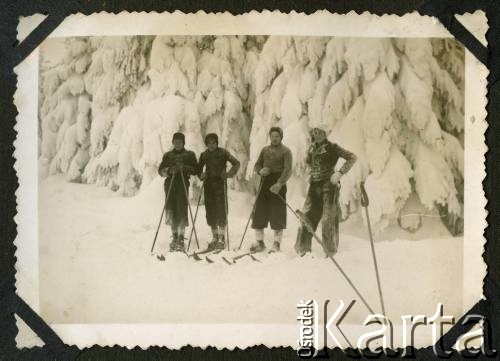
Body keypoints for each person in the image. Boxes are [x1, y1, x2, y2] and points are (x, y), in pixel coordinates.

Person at [294, 127, 357, 256]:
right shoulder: (312, 149)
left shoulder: (332, 147)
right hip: (314, 186)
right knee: (307, 215)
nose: (317, 135)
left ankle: (330, 250)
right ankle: (303, 249)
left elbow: (352, 157)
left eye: (319, 132)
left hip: (329, 185)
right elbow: (308, 163)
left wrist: (340, 173)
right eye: (314, 132)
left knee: (328, 217)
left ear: (324, 134)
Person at [250, 127, 292, 253]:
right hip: (264, 182)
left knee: (277, 214)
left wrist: (279, 184)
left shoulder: (286, 151)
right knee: (259, 212)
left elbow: (288, 170)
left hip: (278, 183)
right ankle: (260, 242)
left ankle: (276, 244)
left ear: (281, 137)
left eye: (277, 136)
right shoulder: (265, 150)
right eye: (272, 136)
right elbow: (257, 165)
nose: (274, 139)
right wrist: (260, 170)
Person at [198, 133, 240, 251]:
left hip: (220, 185)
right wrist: (202, 175)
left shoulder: (223, 153)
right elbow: (198, 169)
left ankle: (222, 238)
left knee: (221, 210)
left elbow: (236, 163)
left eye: (214, 142)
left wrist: (228, 174)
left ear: (217, 143)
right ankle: (215, 237)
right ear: (206, 144)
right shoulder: (204, 155)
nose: (211, 145)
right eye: (209, 143)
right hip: (208, 185)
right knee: (210, 211)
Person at [158, 132, 198, 252]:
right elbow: (160, 171)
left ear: (183, 142)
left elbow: (195, 170)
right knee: (171, 209)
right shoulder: (168, 156)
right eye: (175, 142)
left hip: (182, 184)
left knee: (181, 209)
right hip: (170, 185)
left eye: (180, 142)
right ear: (173, 142)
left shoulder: (189, 154)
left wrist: (185, 168)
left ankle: (181, 238)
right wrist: (169, 170)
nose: (178, 144)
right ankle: (174, 237)